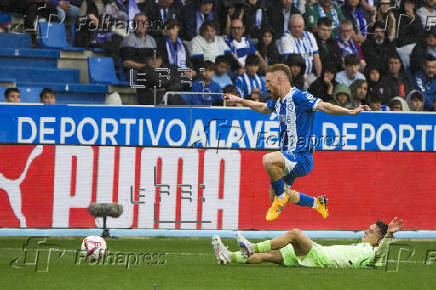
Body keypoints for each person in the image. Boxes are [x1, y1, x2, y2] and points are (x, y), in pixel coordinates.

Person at [223, 64, 371, 222]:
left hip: (301, 157)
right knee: (274, 195)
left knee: (268, 160)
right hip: (289, 156)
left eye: (268, 82)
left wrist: (350, 111)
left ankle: (280, 199)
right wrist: (238, 99)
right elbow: (262, 107)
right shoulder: (278, 101)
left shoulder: (299, 96)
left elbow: (324, 106)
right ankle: (316, 203)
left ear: (279, 80)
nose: (266, 86)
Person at [212, 217, 404, 268]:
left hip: (322, 258)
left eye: (370, 231)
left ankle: (251, 247)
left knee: (295, 233)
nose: (365, 231)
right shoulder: (362, 247)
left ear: (379, 238)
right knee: (268, 256)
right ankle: (229, 257)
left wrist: (388, 238)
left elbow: (380, 254)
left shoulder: (373, 255)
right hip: (318, 257)